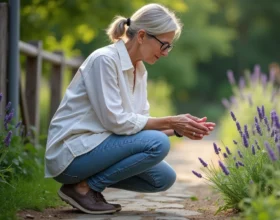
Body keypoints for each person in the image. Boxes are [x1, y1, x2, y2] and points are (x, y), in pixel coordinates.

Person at [45, 3, 215, 215]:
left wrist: (180, 129)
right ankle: (84, 189)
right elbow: (115, 121)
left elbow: (137, 124)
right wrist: (171, 121)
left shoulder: (139, 71)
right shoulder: (104, 60)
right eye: (164, 45)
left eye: (169, 47)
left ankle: (85, 187)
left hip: (97, 148)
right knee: (158, 144)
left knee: (163, 179)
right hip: (71, 155)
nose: (166, 53)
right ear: (142, 36)